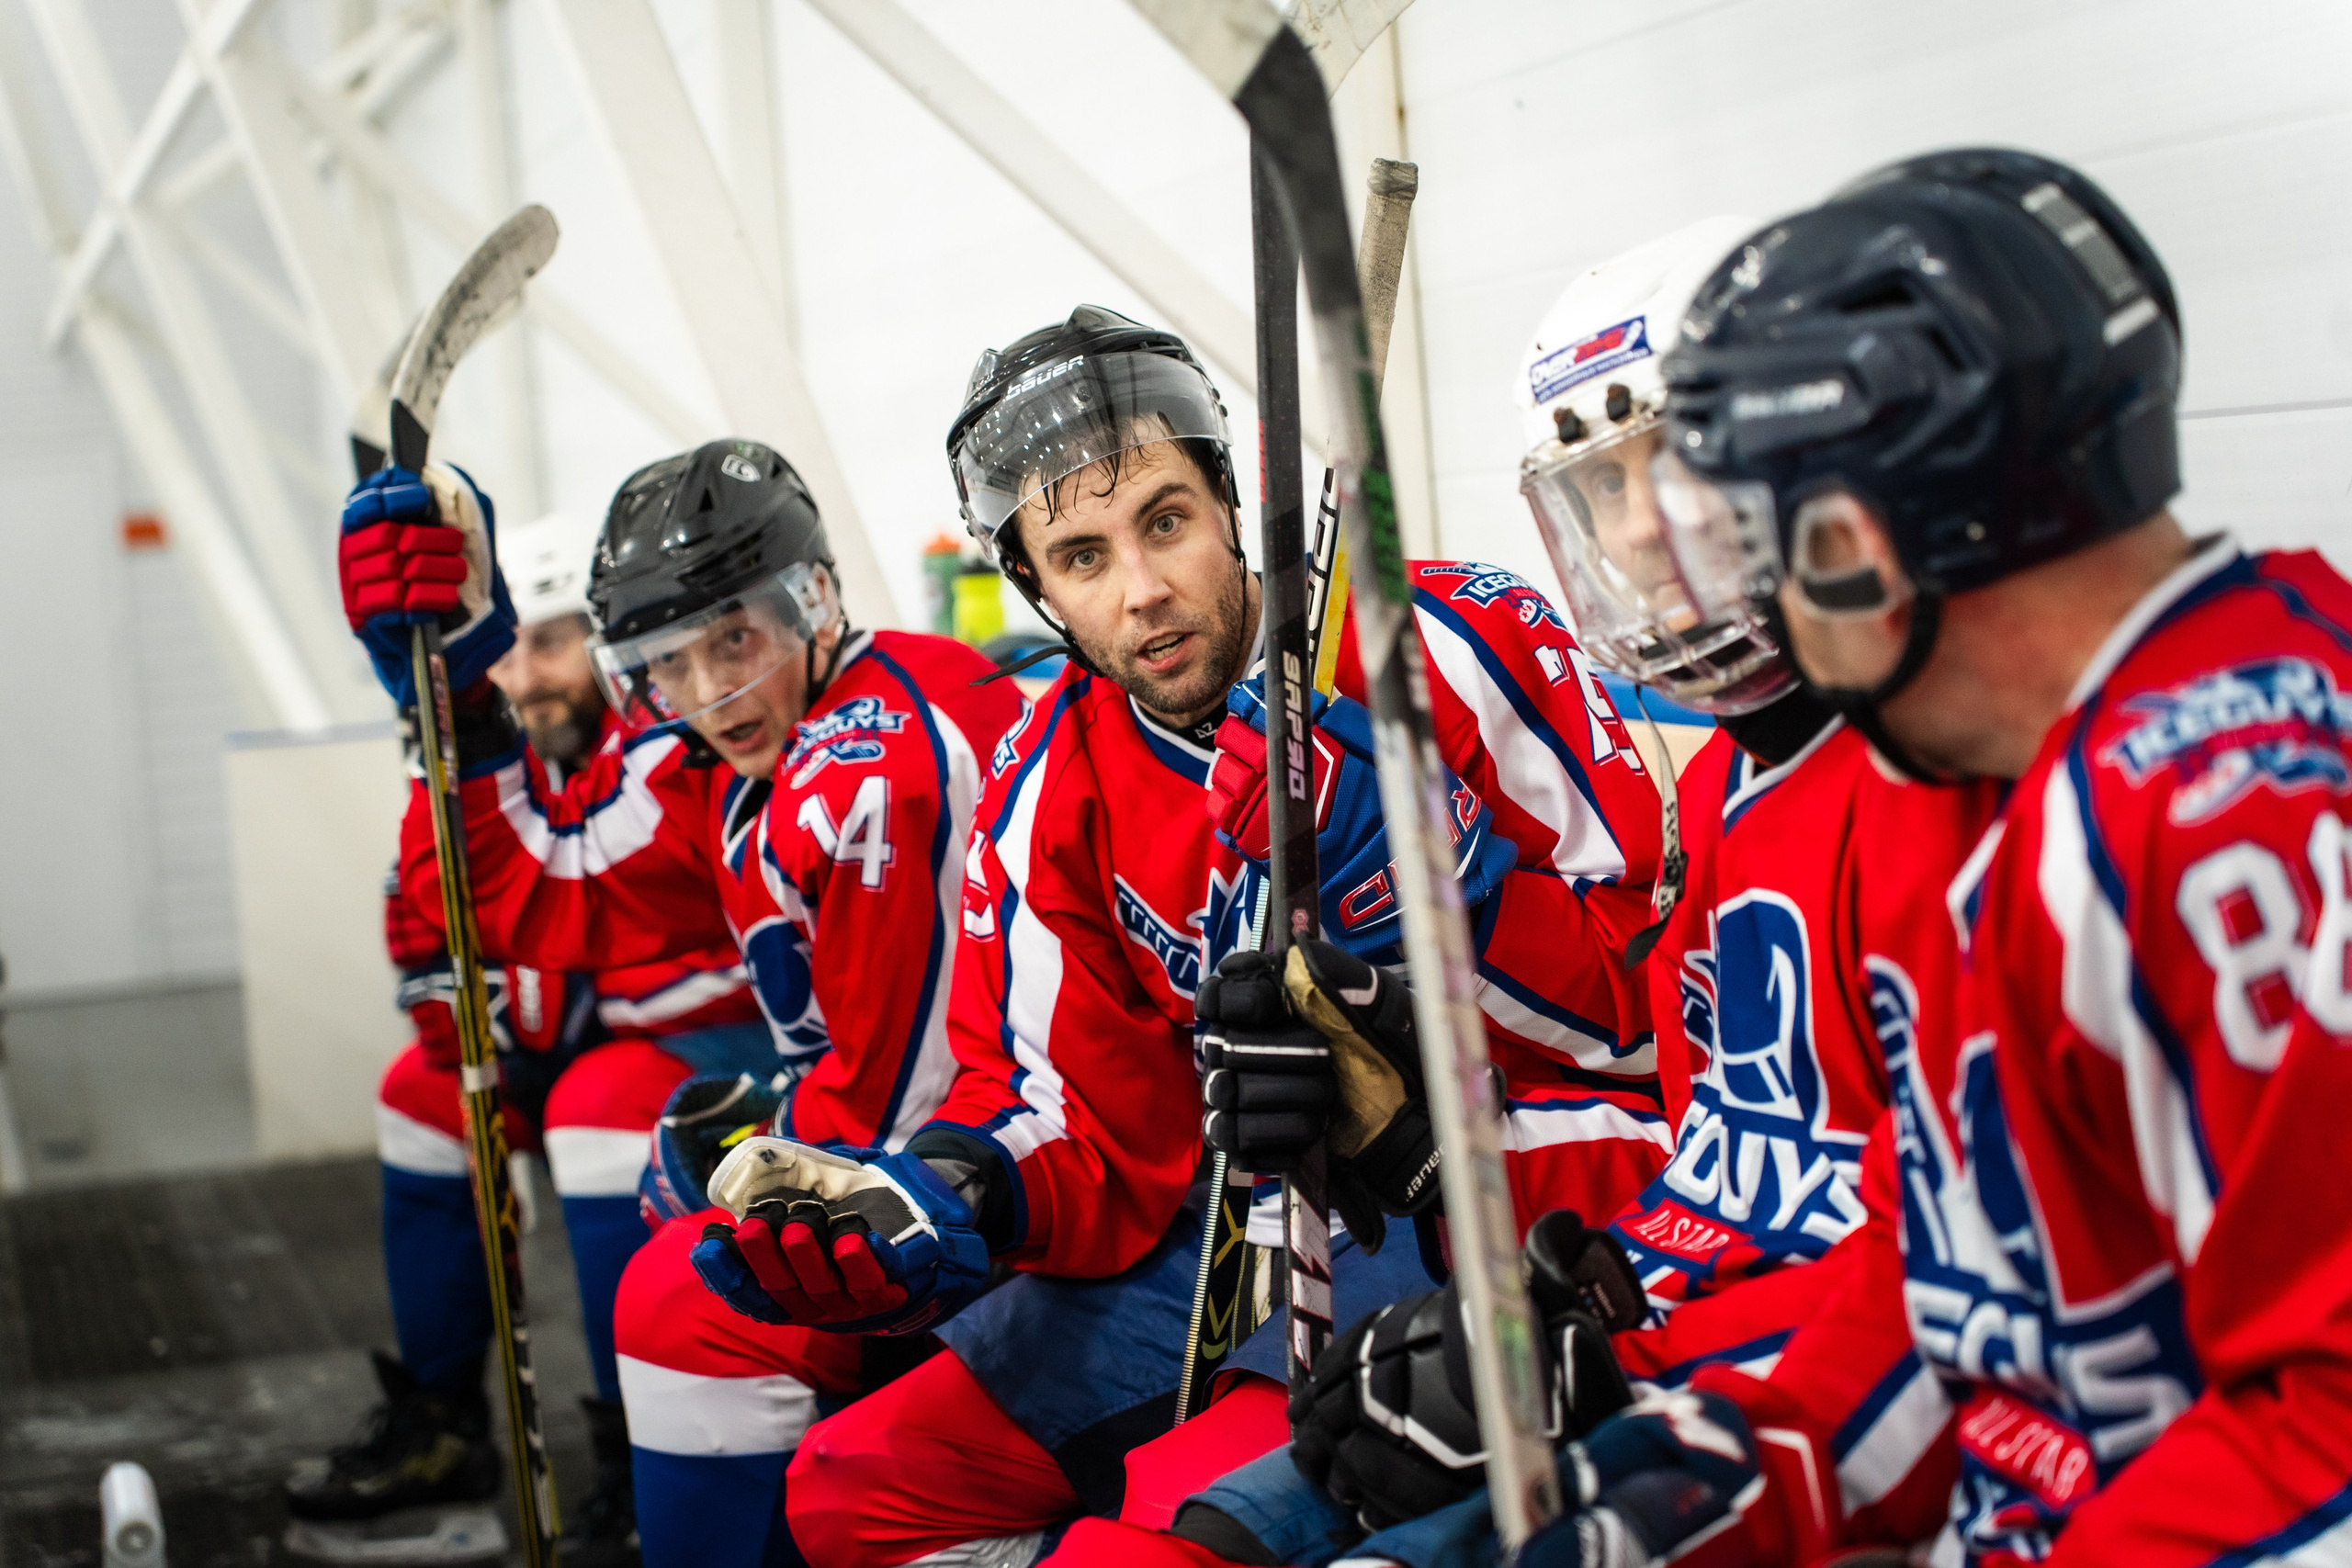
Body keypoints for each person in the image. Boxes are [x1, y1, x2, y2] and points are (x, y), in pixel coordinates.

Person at [1039, 218, 1978, 1568]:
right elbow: (1710, 1153)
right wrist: (1411, 1138)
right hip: (1627, 1289)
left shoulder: (1965, 801)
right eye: (1604, 494)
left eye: (1689, 469)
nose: (1648, 541)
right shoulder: (1732, 791)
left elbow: (1643, 1054)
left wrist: (1422, 880)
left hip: (1750, 1385)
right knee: (1164, 1535)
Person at [684, 305, 1673, 1567]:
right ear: (1034, 587)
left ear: (1231, 506)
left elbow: (1660, 1016)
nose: (1143, 590)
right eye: (1082, 554)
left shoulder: (1453, 642)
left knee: (1152, 1537)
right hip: (1240, 1239)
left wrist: (1439, 883)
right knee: (850, 1486)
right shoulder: (1047, 779)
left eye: (1165, 519)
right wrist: (956, 1192)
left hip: (1509, 1219)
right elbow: (1082, 1116)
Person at [333, 439, 1022, 1564]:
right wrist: (458, 689)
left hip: (1014, 1202)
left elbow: (908, 1099)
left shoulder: (870, 766)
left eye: (734, 641)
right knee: (656, 1250)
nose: (708, 694)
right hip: (946, 1152)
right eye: (668, 660)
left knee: (675, 1297)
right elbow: (542, 880)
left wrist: (758, 1158)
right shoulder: (730, 755)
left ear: (815, 599)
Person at [288, 510, 767, 1565]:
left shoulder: (661, 744)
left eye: (547, 644)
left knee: (596, 1110)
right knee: (420, 1098)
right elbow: (422, 914)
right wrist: (473, 1012)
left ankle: (640, 1457)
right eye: (503, 648)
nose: (521, 673)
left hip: (725, 1047)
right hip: (589, 1045)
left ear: (601, 653)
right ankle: (444, 1422)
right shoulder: (480, 750)